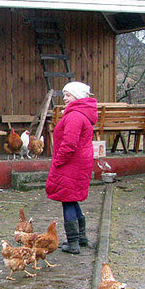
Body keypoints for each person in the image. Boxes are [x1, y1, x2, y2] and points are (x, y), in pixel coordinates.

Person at [45, 81, 98, 254]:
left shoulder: (75, 116)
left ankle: (73, 242)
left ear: (77, 96)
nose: (65, 98)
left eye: (68, 95)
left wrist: (58, 161)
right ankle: (81, 238)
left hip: (70, 164)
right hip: (78, 163)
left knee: (67, 200)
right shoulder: (82, 113)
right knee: (73, 199)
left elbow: (69, 144)